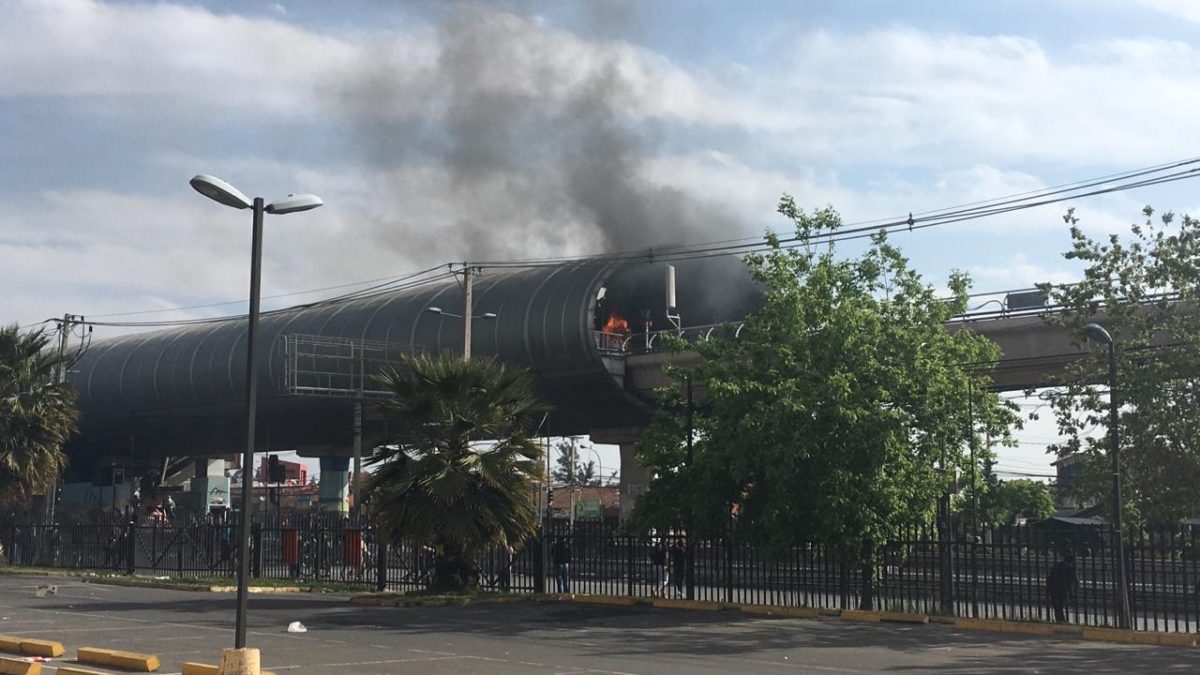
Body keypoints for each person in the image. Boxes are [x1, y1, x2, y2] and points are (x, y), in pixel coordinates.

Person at [1047, 551, 1077, 622]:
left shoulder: (1057, 565)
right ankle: (1061, 619)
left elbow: (1050, 577)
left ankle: (1059, 619)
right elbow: (1070, 582)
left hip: (1053, 588)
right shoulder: (1070, 569)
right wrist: (1071, 595)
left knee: (1057, 606)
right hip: (1061, 589)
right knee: (1060, 604)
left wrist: (1048, 588)